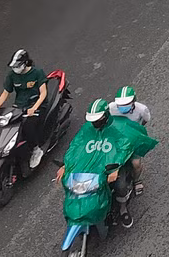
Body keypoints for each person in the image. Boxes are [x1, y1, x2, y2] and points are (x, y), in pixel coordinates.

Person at [57, 98, 157, 229]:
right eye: (93, 121)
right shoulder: (87, 128)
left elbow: (123, 147)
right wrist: (66, 165)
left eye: (97, 120)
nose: (95, 123)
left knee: (120, 185)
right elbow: (76, 147)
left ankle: (123, 208)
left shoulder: (119, 127)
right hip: (94, 167)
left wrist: (116, 166)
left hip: (113, 165)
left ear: (105, 116)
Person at [0, 49, 49, 166]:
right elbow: (5, 93)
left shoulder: (37, 73)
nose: (15, 69)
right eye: (13, 67)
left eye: (17, 66)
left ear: (25, 63)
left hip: (36, 106)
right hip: (19, 107)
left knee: (27, 125)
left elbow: (43, 93)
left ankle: (36, 149)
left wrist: (34, 108)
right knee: (6, 124)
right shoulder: (12, 75)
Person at [112, 86, 150, 194]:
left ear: (133, 102)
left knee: (136, 164)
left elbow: (145, 121)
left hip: (133, 139)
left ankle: (137, 180)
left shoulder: (142, 109)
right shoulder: (111, 108)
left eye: (126, 104)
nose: (123, 107)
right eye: (120, 105)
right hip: (116, 138)